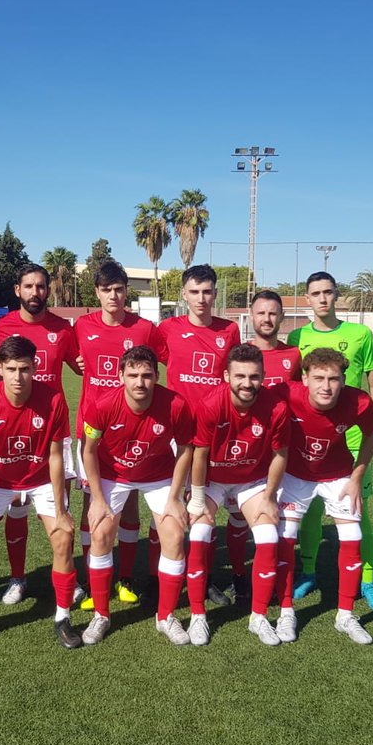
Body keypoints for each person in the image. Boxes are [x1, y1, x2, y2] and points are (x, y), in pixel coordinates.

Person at [0, 336, 82, 650]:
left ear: (35, 367)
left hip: (41, 479)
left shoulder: (53, 400)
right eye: (12, 369)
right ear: (0, 368)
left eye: (25, 369)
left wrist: (61, 511)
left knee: (63, 537)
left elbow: (56, 457)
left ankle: (63, 617)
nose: (18, 376)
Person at [286, 272, 373, 611]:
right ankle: (308, 572)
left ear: (336, 295)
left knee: (358, 511)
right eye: (315, 293)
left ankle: (368, 579)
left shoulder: (359, 334)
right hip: (312, 439)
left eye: (328, 292)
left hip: (354, 437)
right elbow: (294, 387)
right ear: (307, 298)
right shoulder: (297, 336)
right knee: (311, 512)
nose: (322, 299)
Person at [80, 345, 194, 645]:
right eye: (132, 375)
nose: (139, 382)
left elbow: (185, 449)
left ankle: (165, 617)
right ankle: (101, 615)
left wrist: (175, 497)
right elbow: (88, 451)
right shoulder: (102, 405)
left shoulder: (176, 405)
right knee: (100, 534)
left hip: (158, 475)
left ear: (157, 376)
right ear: (120, 376)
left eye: (146, 375)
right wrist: (98, 499)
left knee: (174, 535)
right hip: (112, 474)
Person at [0, 264, 83, 605]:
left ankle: (67, 577)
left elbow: (81, 365)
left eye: (41, 286)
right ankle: (18, 578)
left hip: (54, 430)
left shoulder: (62, 328)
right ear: (17, 290)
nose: (35, 292)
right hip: (15, 429)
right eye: (28, 286)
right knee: (16, 505)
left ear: (48, 290)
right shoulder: (0, 327)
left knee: (60, 508)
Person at [73, 260, 163, 610]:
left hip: (135, 430)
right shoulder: (82, 326)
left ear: (127, 292)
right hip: (93, 432)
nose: (114, 295)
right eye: (107, 290)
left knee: (128, 506)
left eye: (119, 289)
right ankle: (91, 579)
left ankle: (125, 577)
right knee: (92, 506)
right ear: (97, 292)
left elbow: (165, 362)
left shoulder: (144, 328)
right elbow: (71, 360)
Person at [186, 343, 289, 647]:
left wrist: (269, 497)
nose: (247, 383)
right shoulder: (210, 404)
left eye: (254, 376)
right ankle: (197, 615)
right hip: (213, 480)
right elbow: (199, 455)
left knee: (268, 535)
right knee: (199, 532)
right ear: (226, 376)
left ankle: (258, 617)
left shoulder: (276, 408)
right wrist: (197, 498)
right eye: (240, 376)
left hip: (251, 481)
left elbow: (280, 455)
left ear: (263, 376)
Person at [278, 347, 373, 645]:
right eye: (319, 378)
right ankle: (286, 612)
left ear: (344, 380)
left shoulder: (359, 402)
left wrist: (357, 477)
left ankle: (345, 615)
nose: (326, 386)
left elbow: (371, 434)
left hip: (338, 476)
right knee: (285, 538)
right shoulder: (286, 393)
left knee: (352, 538)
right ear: (304, 379)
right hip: (295, 476)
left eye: (334, 379)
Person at [155, 264, 242, 606]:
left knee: (204, 509)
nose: (201, 298)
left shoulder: (229, 330)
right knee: (168, 504)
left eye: (207, 292)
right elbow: (152, 361)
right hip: (175, 432)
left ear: (215, 293)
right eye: (194, 292)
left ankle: (202, 577)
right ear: (184, 294)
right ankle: (160, 576)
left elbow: (234, 374)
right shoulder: (167, 329)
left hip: (214, 431)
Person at [249, 290, 300, 388]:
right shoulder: (239, 355)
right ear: (251, 315)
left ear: (282, 316)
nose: (266, 319)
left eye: (272, 314)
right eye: (261, 313)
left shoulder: (294, 354)